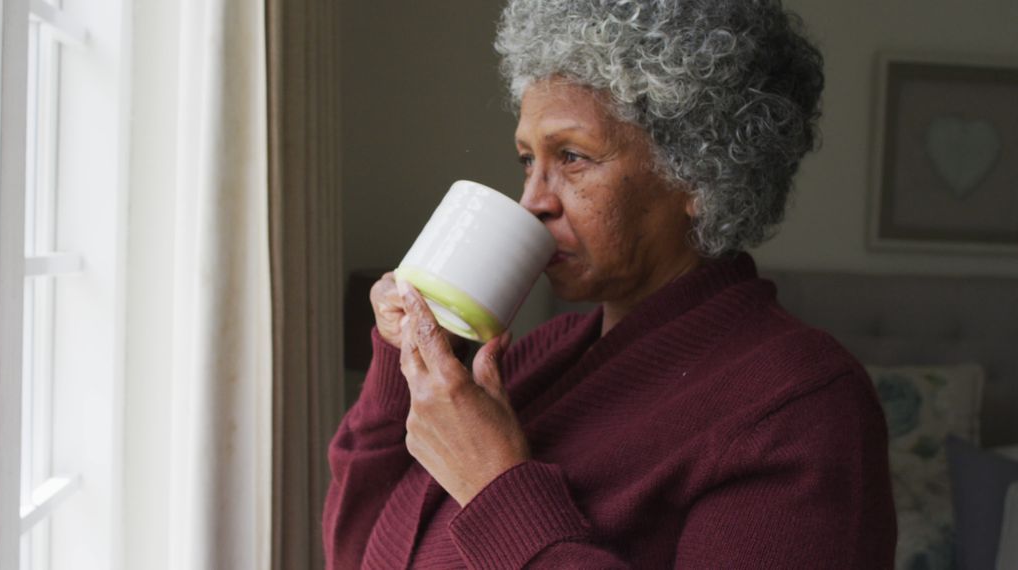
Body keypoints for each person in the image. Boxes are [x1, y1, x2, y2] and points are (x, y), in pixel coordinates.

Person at [323, 0, 897, 567]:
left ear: (698, 173)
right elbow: (354, 552)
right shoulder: (539, 356)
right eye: (528, 160)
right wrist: (402, 366)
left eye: (571, 157)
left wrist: (495, 485)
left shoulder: (798, 406)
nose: (533, 202)